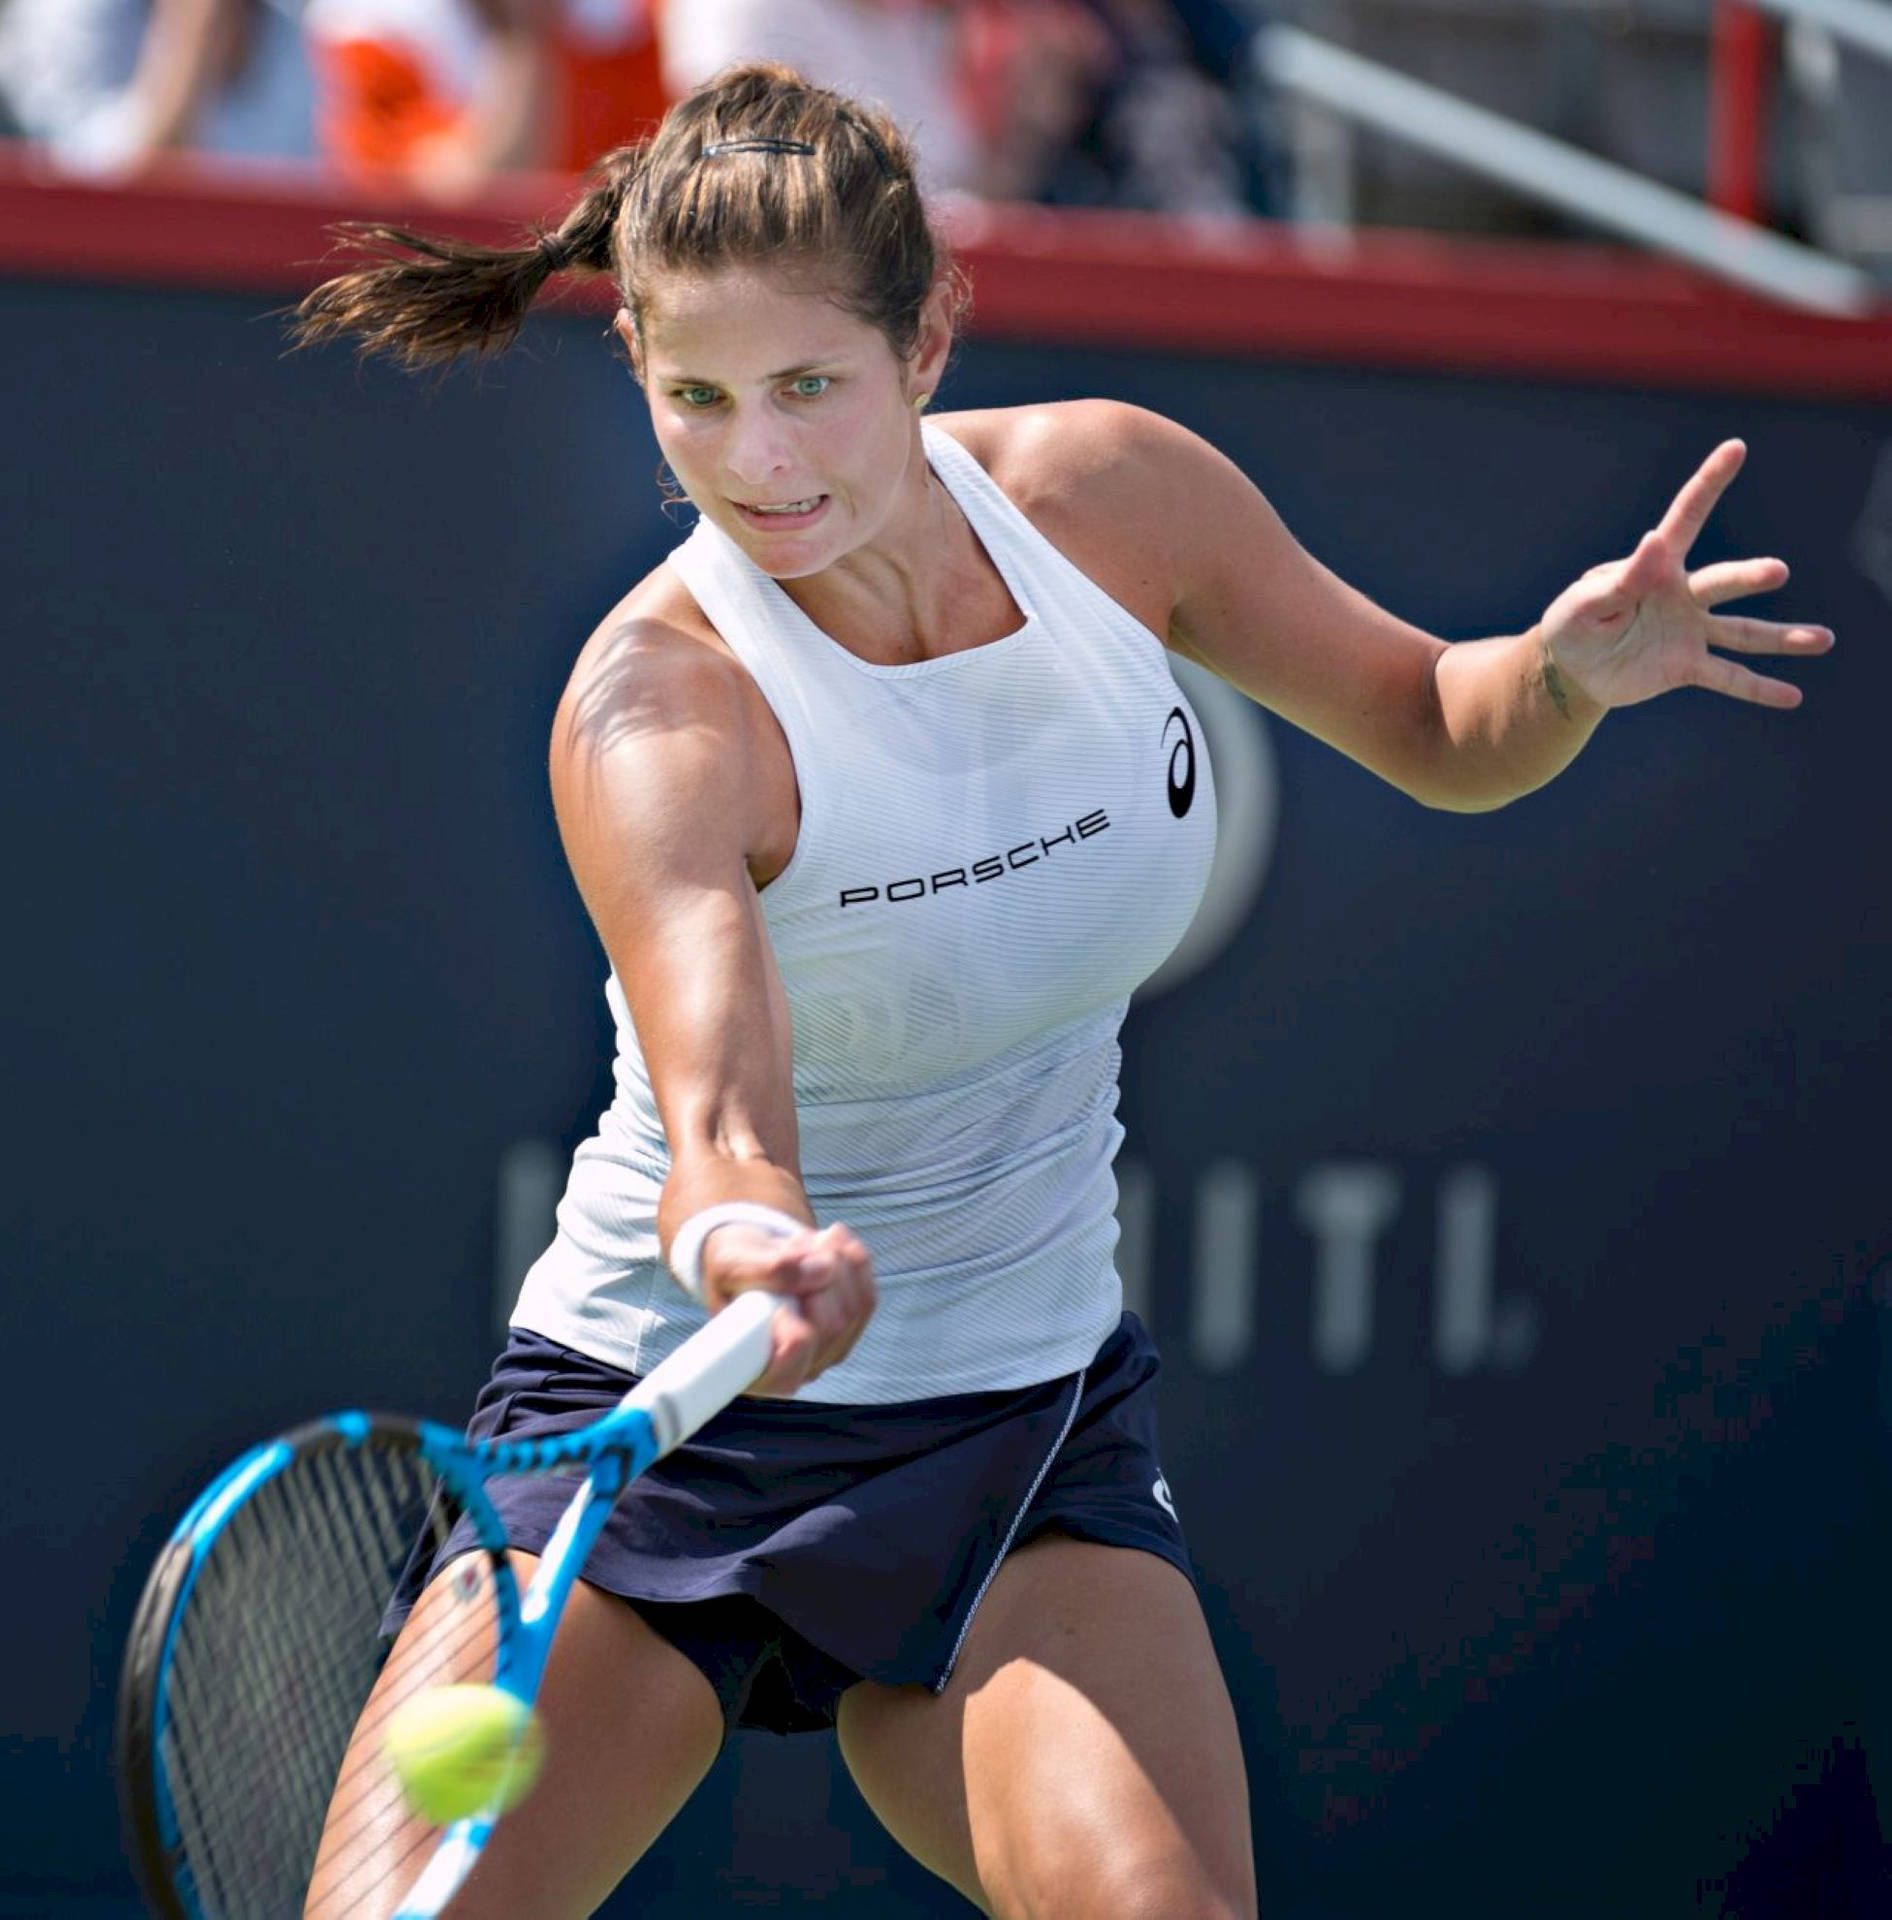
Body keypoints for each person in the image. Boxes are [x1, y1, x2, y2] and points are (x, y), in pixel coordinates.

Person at [287, 60, 1831, 1920]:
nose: (759, 460)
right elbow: (713, 1106)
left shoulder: (1117, 497)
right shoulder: (658, 709)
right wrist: (749, 1240)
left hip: (1012, 1435)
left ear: (930, 332)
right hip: (655, 1423)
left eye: (808, 388)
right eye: (694, 398)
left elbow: (1440, 727)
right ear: (635, 372)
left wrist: (1565, 674)